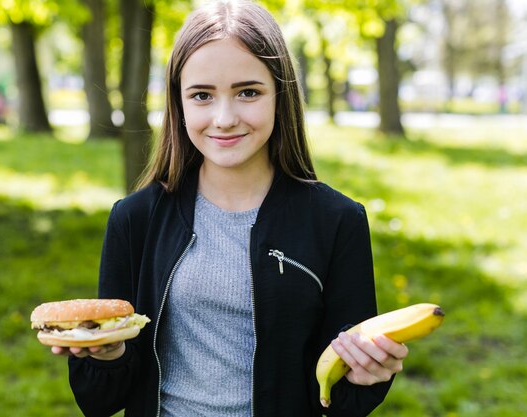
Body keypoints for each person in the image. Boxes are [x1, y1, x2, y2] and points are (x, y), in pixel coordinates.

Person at [52, 1, 408, 416]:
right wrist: (106, 353)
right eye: (202, 95)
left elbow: (341, 401)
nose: (224, 118)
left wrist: (369, 375)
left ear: (281, 95)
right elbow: (99, 400)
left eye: (248, 92)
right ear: (178, 104)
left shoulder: (337, 221)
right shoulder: (135, 220)